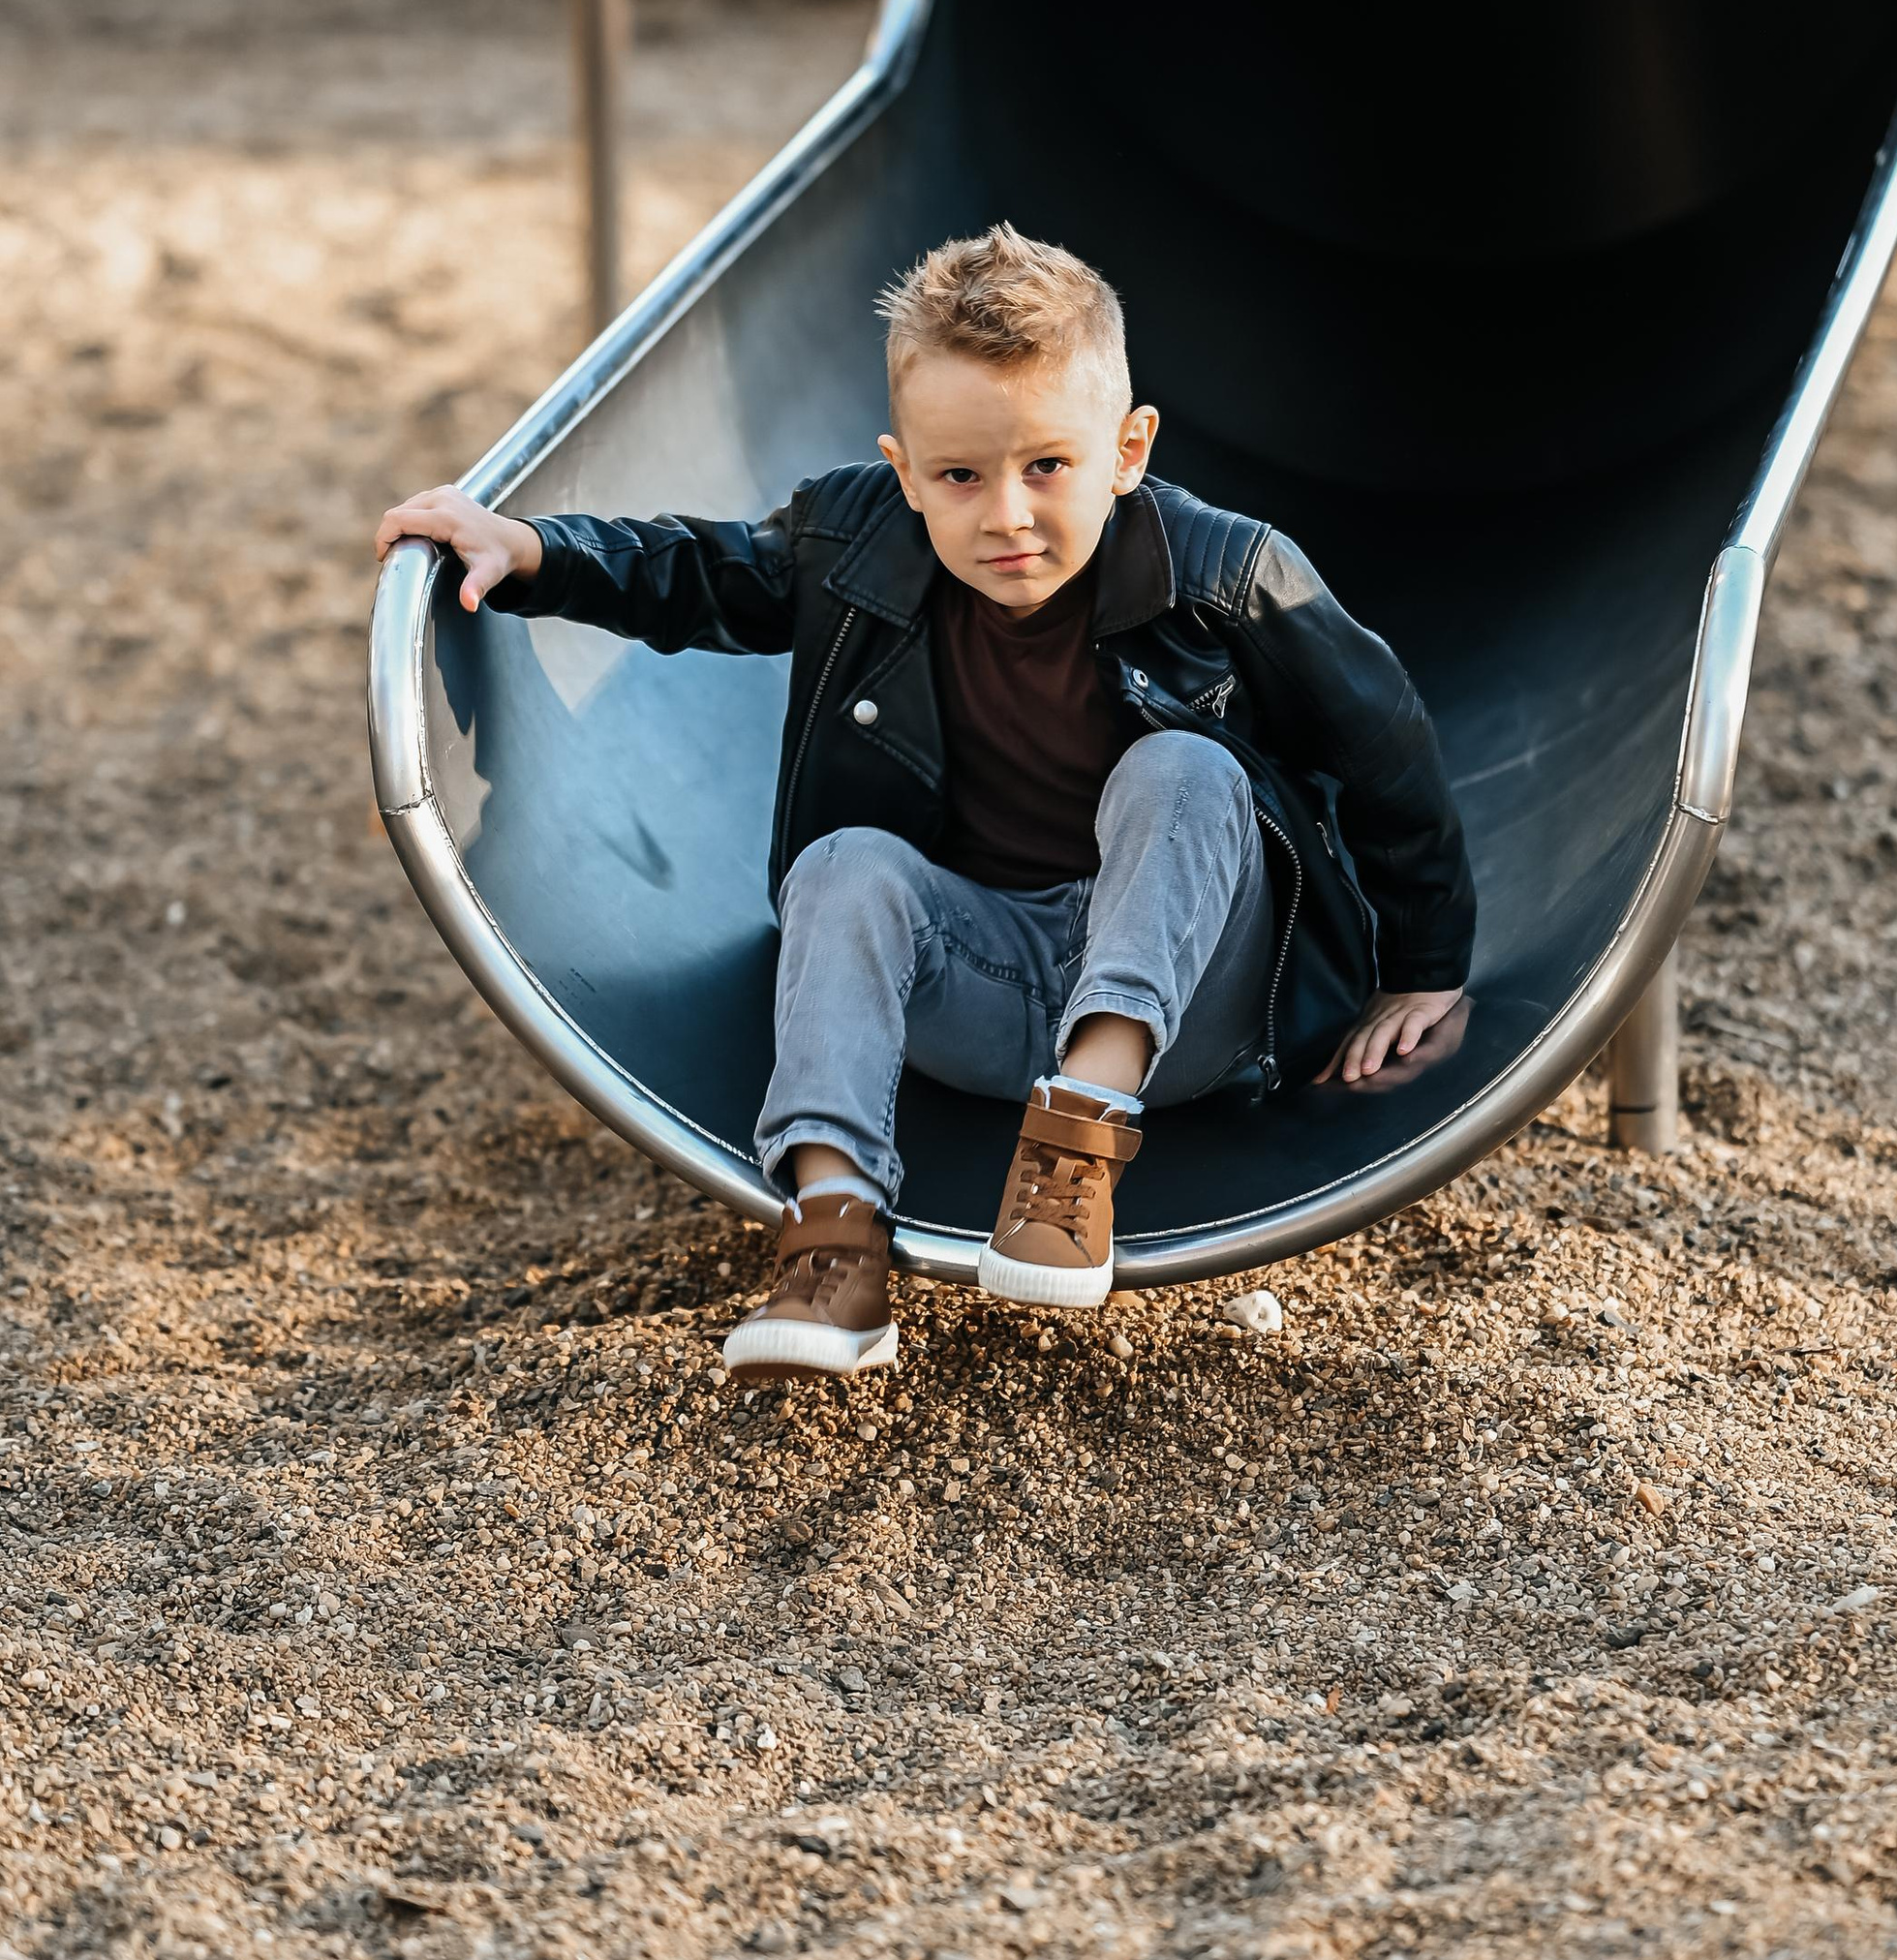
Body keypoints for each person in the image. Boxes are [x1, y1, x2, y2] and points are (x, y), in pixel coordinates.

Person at [376, 225, 1474, 1387]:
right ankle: (835, 1235)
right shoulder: (855, 538)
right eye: (960, 475)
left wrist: (1425, 963)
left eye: (1047, 465)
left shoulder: (1227, 571)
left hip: (1187, 1004)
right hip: (983, 986)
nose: (1005, 513)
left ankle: (1079, 1144)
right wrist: (536, 549)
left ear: (1128, 448)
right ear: (905, 472)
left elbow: (1383, 742)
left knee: (1185, 771)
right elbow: (701, 573)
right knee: (846, 862)